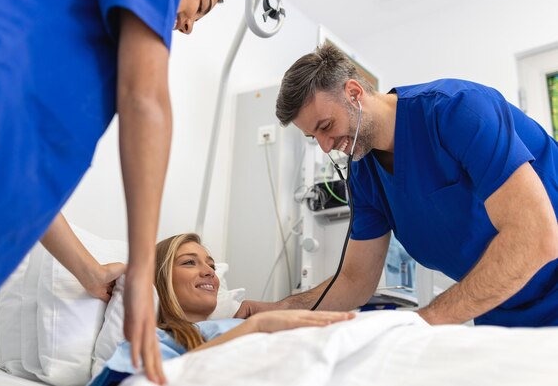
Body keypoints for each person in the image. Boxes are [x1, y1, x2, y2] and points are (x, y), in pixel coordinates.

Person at [0, 0, 227, 385]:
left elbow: (23, 180)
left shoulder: (83, 42)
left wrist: (87, 271)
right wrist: (142, 275)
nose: (189, 26)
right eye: (199, 7)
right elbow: (145, 101)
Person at [236, 42, 558, 328]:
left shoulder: (456, 110)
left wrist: (423, 323)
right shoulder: (364, 175)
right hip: (502, 306)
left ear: (354, 93)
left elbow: (537, 234)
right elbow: (354, 280)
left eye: (326, 126)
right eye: (313, 137)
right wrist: (280, 311)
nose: (325, 146)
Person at [90, 233, 354, 385]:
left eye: (212, 267)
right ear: (160, 279)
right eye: (189, 263)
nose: (208, 272)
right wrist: (256, 326)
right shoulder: (155, 339)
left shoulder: (236, 323)